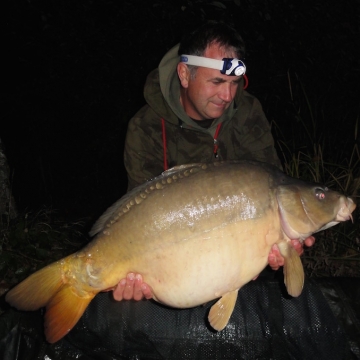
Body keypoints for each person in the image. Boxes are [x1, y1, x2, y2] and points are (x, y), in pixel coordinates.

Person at [113, 21, 314, 301]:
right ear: (184, 74)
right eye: (217, 82)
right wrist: (133, 273)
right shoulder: (145, 127)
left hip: (234, 260)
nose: (227, 96)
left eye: (233, 83)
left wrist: (283, 242)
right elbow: (137, 214)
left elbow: (271, 190)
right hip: (174, 261)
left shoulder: (247, 111)